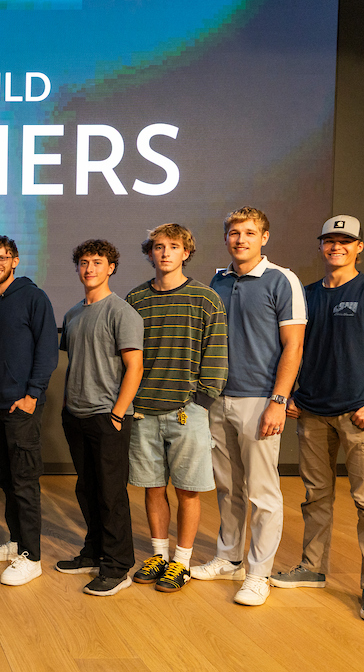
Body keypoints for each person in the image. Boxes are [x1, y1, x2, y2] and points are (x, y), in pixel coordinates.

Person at [271, 215, 364, 623]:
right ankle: (312, 568)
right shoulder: (306, 296)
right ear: (320, 246)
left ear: (359, 247)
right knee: (315, 497)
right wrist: (290, 394)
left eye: (346, 240)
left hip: (359, 417)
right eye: (330, 240)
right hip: (311, 415)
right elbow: (292, 348)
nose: (337, 246)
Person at [192, 207, 306, 606]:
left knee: (262, 493)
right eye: (235, 233)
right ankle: (229, 559)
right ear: (226, 238)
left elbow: (294, 345)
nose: (241, 239)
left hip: (260, 400)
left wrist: (279, 400)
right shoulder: (218, 281)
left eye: (250, 233)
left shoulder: (282, 280)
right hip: (217, 399)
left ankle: (259, 574)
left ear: (265, 237)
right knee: (228, 487)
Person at [125, 223, 227, 593]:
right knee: (153, 488)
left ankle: (181, 563)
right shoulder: (136, 299)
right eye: (158, 246)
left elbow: (216, 355)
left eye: (173, 246)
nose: (165, 252)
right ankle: (159, 555)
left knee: (187, 490)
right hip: (143, 411)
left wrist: (201, 403)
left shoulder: (205, 299)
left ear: (186, 252)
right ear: (149, 253)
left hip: (187, 411)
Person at [57, 239, 144, 596]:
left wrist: (117, 414)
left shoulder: (121, 312)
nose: (89, 268)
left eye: (97, 261)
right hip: (76, 415)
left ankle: (118, 566)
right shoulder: (73, 314)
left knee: (111, 494)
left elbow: (134, 367)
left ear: (111, 268)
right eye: (83, 262)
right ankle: (93, 552)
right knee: (87, 488)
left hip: (107, 417)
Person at [0, 235, 59, 586]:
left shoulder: (33, 298)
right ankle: (16, 542)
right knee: (6, 479)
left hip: (21, 406)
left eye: (1, 258)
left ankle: (32, 557)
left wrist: (32, 395)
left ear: (15, 260)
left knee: (24, 482)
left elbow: (47, 350)